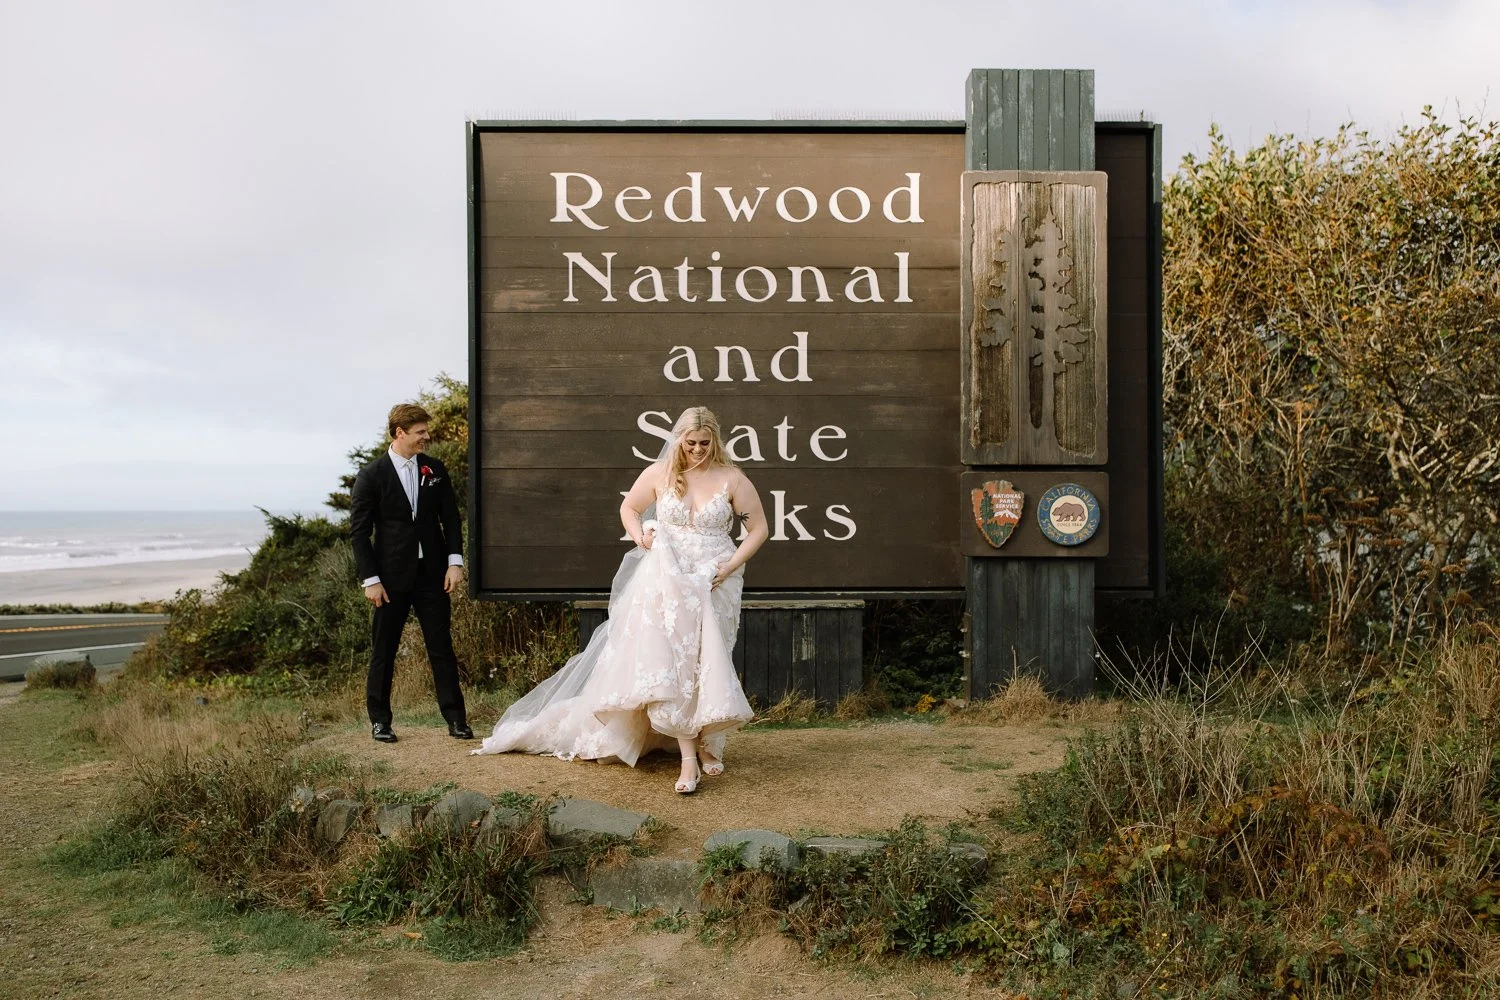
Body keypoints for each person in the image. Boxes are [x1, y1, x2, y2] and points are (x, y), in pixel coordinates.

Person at [473, 406, 768, 793]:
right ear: (679, 440)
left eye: (704, 443)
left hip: (714, 580)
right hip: (665, 577)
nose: (697, 450)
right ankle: (687, 758)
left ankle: (709, 743)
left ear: (715, 440)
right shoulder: (660, 475)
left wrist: (728, 567)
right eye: (690, 442)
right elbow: (628, 508)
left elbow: (759, 529)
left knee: (709, 658)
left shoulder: (732, 479)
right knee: (672, 661)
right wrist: (640, 536)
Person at [350, 402, 472, 743]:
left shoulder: (435, 469)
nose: (426, 437)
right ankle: (380, 721)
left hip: (433, 574)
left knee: (441, 647)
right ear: (399, 433)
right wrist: (370, 580)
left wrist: (455, 562)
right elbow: (359, 532)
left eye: (425, 431)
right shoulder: (371, 476)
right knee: (383, 650)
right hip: (389, 580)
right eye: (420, 432)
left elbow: (450, 517)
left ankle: (455, 719)